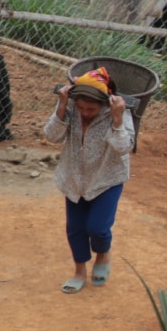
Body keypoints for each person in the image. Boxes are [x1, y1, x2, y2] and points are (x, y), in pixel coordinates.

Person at [45, 66, 134, 292]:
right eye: (81, 107)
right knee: (75, 228)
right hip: (74, 177)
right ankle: (79, 272)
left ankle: (103, 253)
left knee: (98, 228)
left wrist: (117, 121)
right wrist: (63, 106)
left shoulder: (119, 111)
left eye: (91, 108)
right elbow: (51, 136)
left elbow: (123, 147)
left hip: (106, 178)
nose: (85, 112)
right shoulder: (71, 106)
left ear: (104, 103)